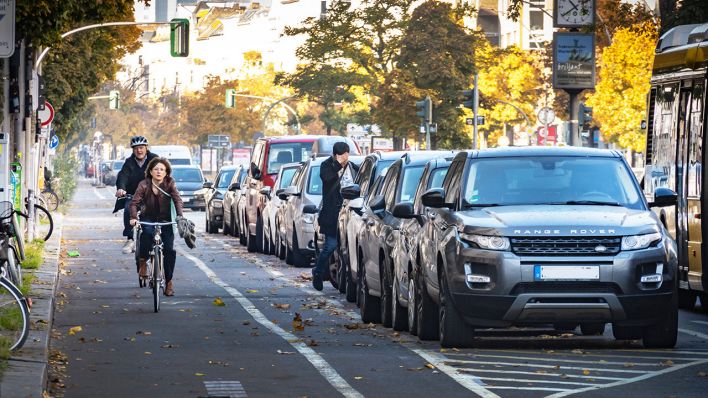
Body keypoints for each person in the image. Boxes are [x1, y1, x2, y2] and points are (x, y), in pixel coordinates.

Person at [129, 157, 184, 296]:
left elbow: (177, 200)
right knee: (146, 235)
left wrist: (180, 216)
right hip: (148, 218)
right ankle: (143, 262)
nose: (159, 172)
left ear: (166, 172)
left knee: (170, 250)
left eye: (162, 169)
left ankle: (169, 282)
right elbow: (134, 203)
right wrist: (134, 218)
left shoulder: (170, 183)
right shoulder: (144, 184)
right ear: (151, 171)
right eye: (156, 169)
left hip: (166, 220)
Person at [312, 142, 359, 291]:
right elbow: (326, 178)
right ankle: (318, 273)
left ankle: (345, 280)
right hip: (332, 214)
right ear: (335, 155)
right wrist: (337, 164)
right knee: (330, 246)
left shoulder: (352, 167)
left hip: (350, 213)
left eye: (346, 154)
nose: (344, 158)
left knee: (347, 249)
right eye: (341, 155)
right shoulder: (327, 165)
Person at [113, 136, 159, 254]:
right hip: (134, 196)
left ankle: (157, 235)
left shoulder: (154, 160)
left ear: (146, 148)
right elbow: (123, 176)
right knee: (129, 209)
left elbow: (163, 174)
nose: (139, 150)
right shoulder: (129, 162)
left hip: (152, 195)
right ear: (133, 150)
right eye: (136, 148)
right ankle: (130, 239)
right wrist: (121, 189)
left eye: (141, 148)